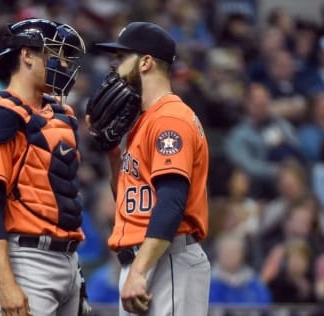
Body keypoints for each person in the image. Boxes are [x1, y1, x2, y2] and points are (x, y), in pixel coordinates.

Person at [0, 18, 90, 316]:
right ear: (27, 55)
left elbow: (60, 197)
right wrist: (6, 283)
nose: (62, 64)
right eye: (54, 54)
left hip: (68, 259)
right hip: (24, 258)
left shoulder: (62, 114)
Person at [88, 22, 211, 315]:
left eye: (121, 58)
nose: (114, 67)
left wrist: (140, 271)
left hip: (166, 259)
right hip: (147, 257)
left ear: (145, 62)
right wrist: (111, 152)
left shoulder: (170, 119)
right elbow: (131, 203)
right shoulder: (144, 122)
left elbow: (171, 203)